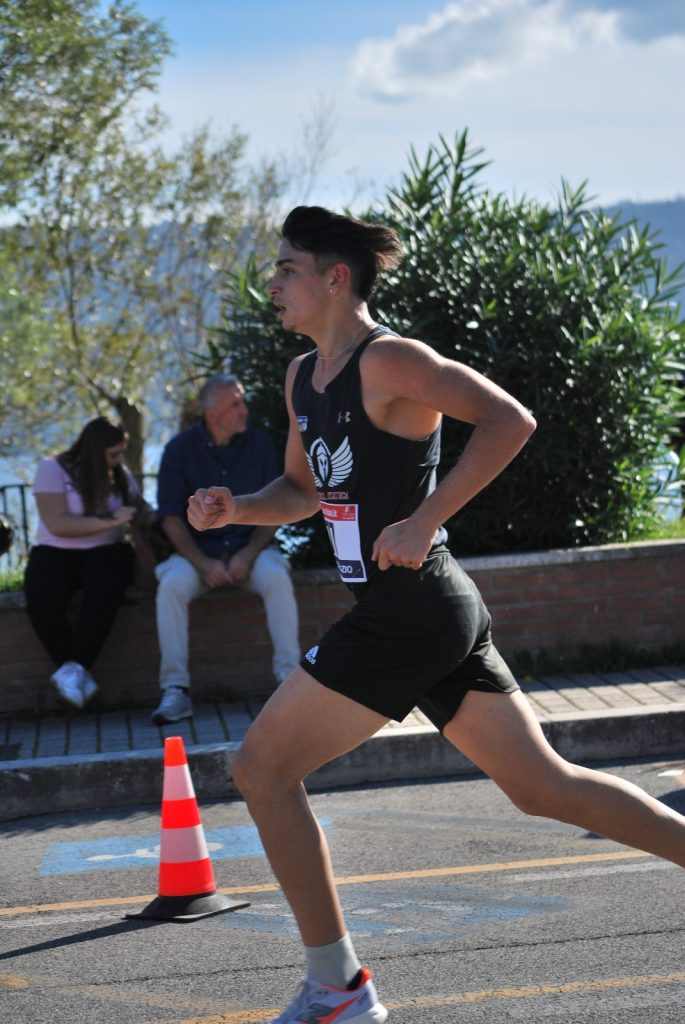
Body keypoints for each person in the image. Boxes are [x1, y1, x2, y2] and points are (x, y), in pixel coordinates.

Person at [188, 206, 685, 1024]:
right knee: (543, 787)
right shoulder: (300, 377)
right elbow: (304, 491)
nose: (272, 283)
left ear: (333, 278)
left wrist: (426, 517)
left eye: (286, 268)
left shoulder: (394, 361)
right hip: (424, 611)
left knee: (261, 769)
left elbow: (508, 420)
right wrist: (233, 507)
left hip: (410, 611)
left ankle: (337, 990)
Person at [151, 374, 300, 725]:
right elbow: (170, 516)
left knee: (277, 578)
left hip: (252, 549)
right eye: (236, 403)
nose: (244, 410)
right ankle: (175, 690)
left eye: (242, 401)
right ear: (212, 412)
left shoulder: (260, 445)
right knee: (170, 586)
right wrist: (202, 563)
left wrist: (249, 553)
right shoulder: (178, 450)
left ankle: (290, 682)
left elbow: (279, 504)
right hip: (197, 554)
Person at [24, 416, 140, 709]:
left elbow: (140, 508)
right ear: (93, 450)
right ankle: (74, 672)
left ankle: (72, 672)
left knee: (105, 593)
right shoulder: (52, 469)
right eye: (113, 454)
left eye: (121, 454)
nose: (118, 460)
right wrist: (109, 520)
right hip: (56, 551)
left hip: (105, 552)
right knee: (42, 597)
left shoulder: (120, 475)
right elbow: (57, 523)